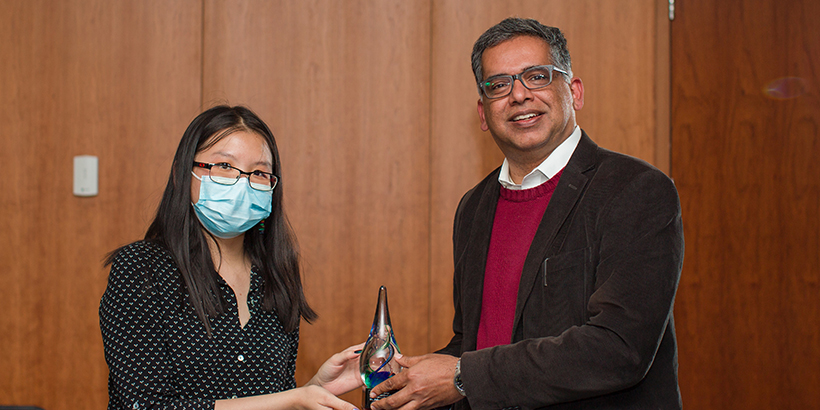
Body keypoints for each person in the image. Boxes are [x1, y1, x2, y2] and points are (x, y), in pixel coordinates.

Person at [370, 17, 684, 410]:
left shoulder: (636, 189)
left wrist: (462, 376)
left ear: (574, 91)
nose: (518, 95)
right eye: (498, 85)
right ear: (483, 114)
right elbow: (476, 342)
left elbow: (619, 348)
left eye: (536, 76)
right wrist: (409, 382)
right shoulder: (473, 207)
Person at [99, 105, 363, 410]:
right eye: (224, 165)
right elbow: (144, 406)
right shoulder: (140, 268)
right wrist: (292, 399)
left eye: (260, 172)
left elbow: (270, 400)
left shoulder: (276, 274)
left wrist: (315, 387)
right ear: (182, 174)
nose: (242, 181)